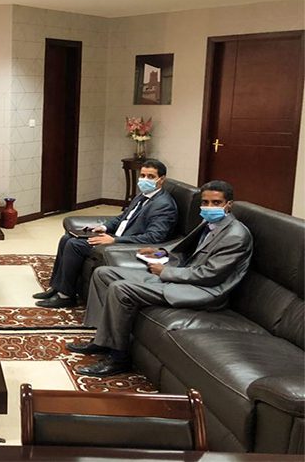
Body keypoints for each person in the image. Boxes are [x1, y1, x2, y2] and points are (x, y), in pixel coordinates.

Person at [67, 180, 252, 377]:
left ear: (229, 205)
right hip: (183, 278)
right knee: (103, 273)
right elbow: (187, 246)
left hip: (203, 291)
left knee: (121, 289)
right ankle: (102, 340)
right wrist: (161, 251)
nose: (209, 207)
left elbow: (210, 275)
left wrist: (165, 272)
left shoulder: (235, 235)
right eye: (205, 202)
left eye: (216, 203)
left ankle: (118, 358)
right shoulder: (210, 223)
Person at [35, 159, 178, 308]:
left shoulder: (163, 205)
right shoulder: (142, 196)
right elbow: (122, 218)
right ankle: (57, 287)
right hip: (115, 236)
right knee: (66, 238)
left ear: (161, 180)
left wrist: (115, 241)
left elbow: (154, 237)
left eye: (150, 176)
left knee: (74, 244)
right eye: (142, 175)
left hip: (125, 244)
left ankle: (66, 296)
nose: (144, 180)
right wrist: (104, 227)